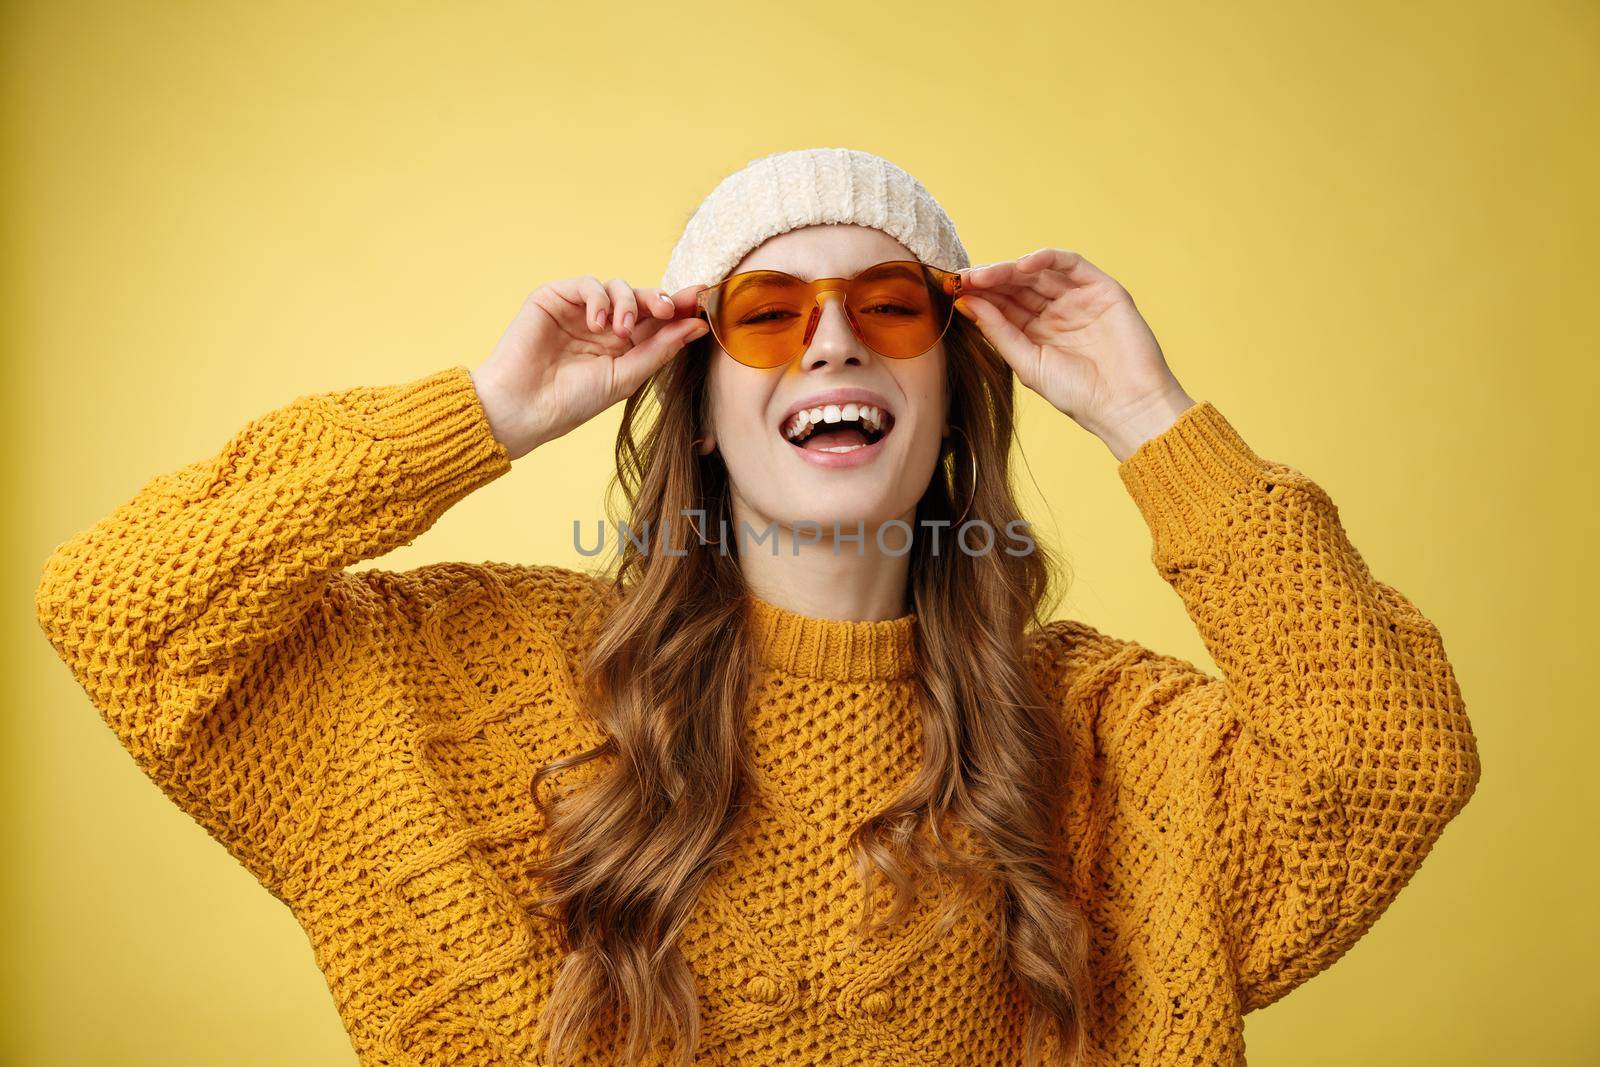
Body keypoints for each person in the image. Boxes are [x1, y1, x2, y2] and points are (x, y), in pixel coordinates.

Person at [33, 146, 1481, 1066]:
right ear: (705, 409)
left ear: (954, 397)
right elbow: (118, 604)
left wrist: (1151, 416)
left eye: (894, 307)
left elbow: (1390, 756)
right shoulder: (493, 677)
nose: (833, 338)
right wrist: (484, 414)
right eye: (768, 313)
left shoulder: (1093, 735)